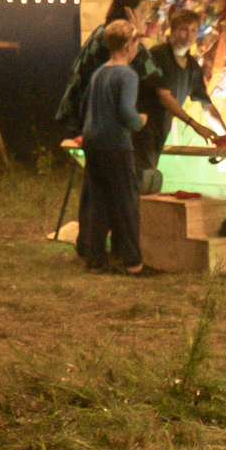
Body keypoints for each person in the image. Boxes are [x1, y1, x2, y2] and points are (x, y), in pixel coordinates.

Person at [75, 22, 155, 275]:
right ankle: (134, 262)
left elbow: (84, 107)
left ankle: (95, 258)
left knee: (99, 201)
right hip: (115, 144)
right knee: (126, 202)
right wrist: (140, 120)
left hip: (92, 143)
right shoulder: (127, 75)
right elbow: (125, 112)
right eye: (137, 43)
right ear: (129, 45)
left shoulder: (99, 73)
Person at [132, 7, 226, 194]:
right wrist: (194, 124)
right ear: (173, 31)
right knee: (138, 186)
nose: (188, 35)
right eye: (183, 29)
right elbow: (164, 96)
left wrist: (224, 136)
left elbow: (206, 105)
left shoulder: (193, 67)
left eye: (193, 30)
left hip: (158, 133)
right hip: (140, 132)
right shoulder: (159, 55)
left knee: (145, 185)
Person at [52, 0, 147, 144]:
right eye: (142, 11)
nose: (145, 17)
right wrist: (139, 34)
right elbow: (149, 70)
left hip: (89, 125)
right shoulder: (118, 40)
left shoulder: (104, 32)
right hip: (105, 134)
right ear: (129, 11)